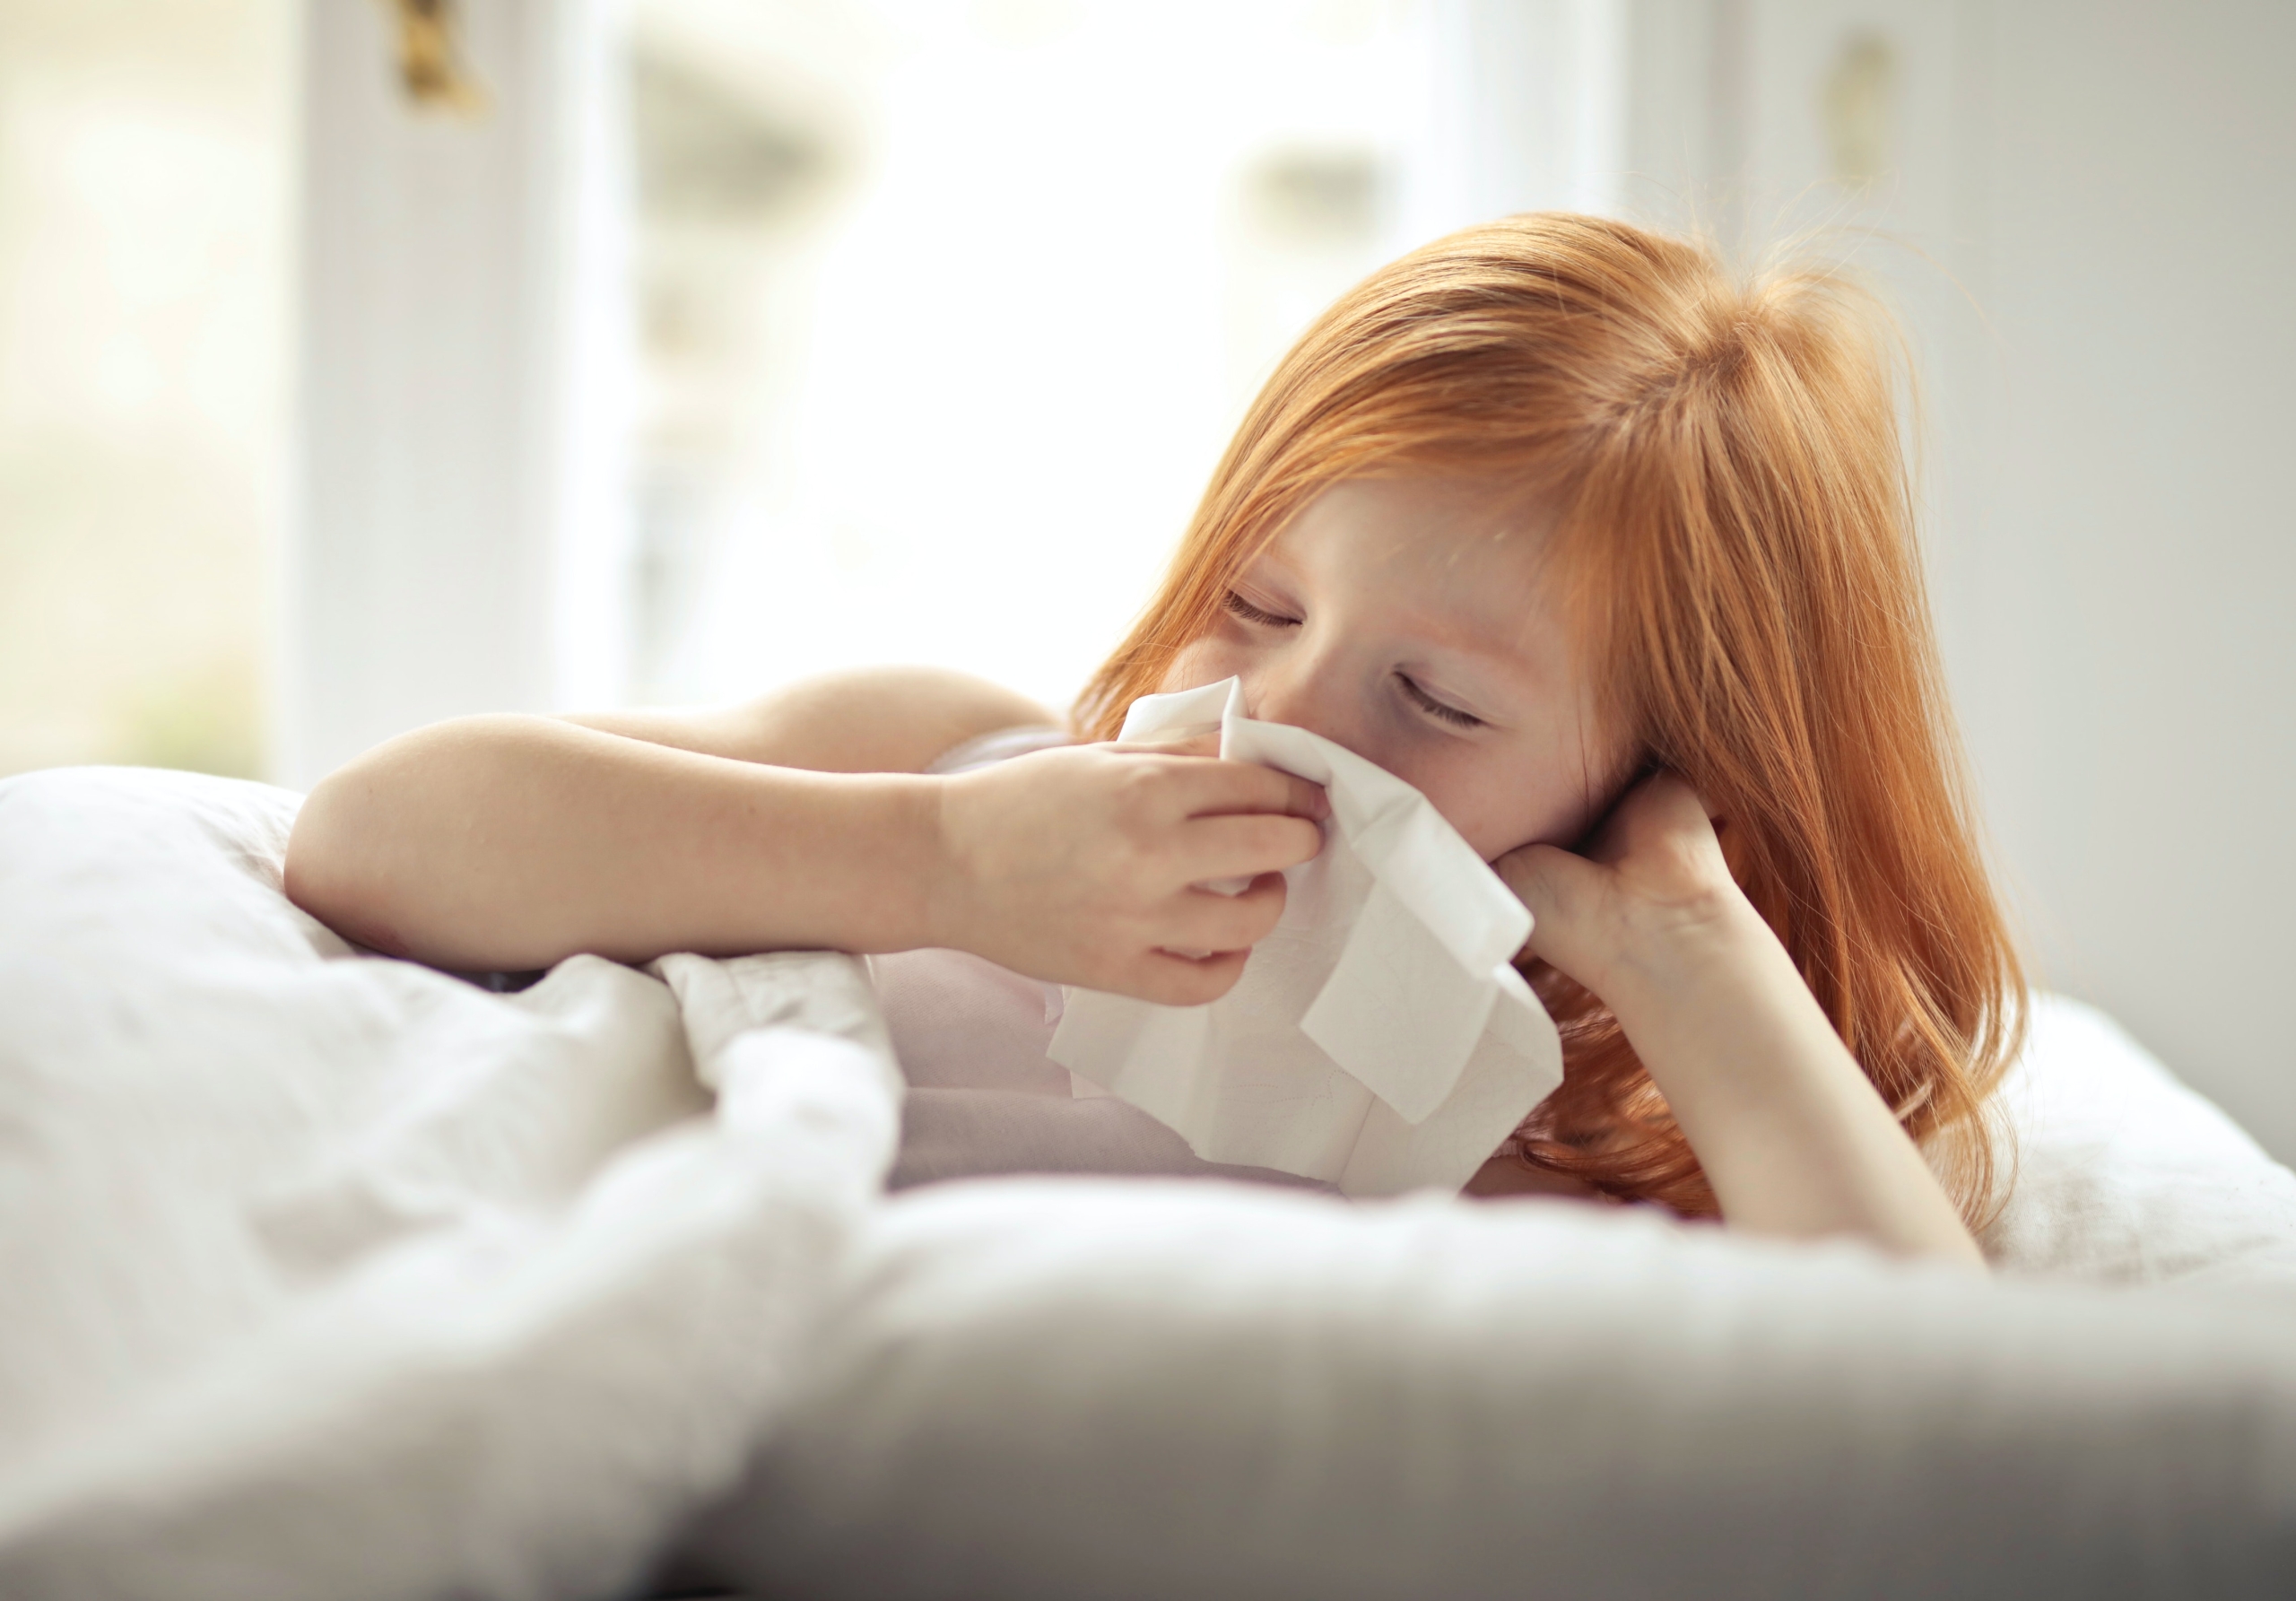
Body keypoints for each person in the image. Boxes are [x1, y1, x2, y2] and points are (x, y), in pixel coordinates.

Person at [285, 213, 2023, 1268]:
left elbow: (1939, 1427)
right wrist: (933, 863)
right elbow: (372, 834)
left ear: (1656, 778)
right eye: (1255, 599)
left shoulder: (1554, 1133)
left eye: (1435, 702)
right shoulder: (953, 760)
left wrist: (1686, 951)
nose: (1274, 708)